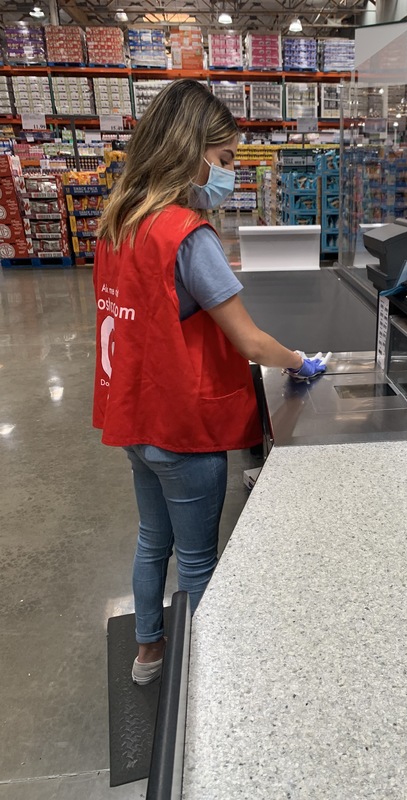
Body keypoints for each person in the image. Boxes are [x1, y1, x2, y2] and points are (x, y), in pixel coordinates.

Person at [93, 79, 327, 685]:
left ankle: (149, 654)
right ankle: (209, 679)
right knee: (198, 558)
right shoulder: (186, 234)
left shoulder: (120, 222)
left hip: (135, 420)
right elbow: (249, 341)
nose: (229, 175)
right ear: (191, 152)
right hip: (183, 427)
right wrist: (301, 361)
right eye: (223, 161)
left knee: (152, 540)